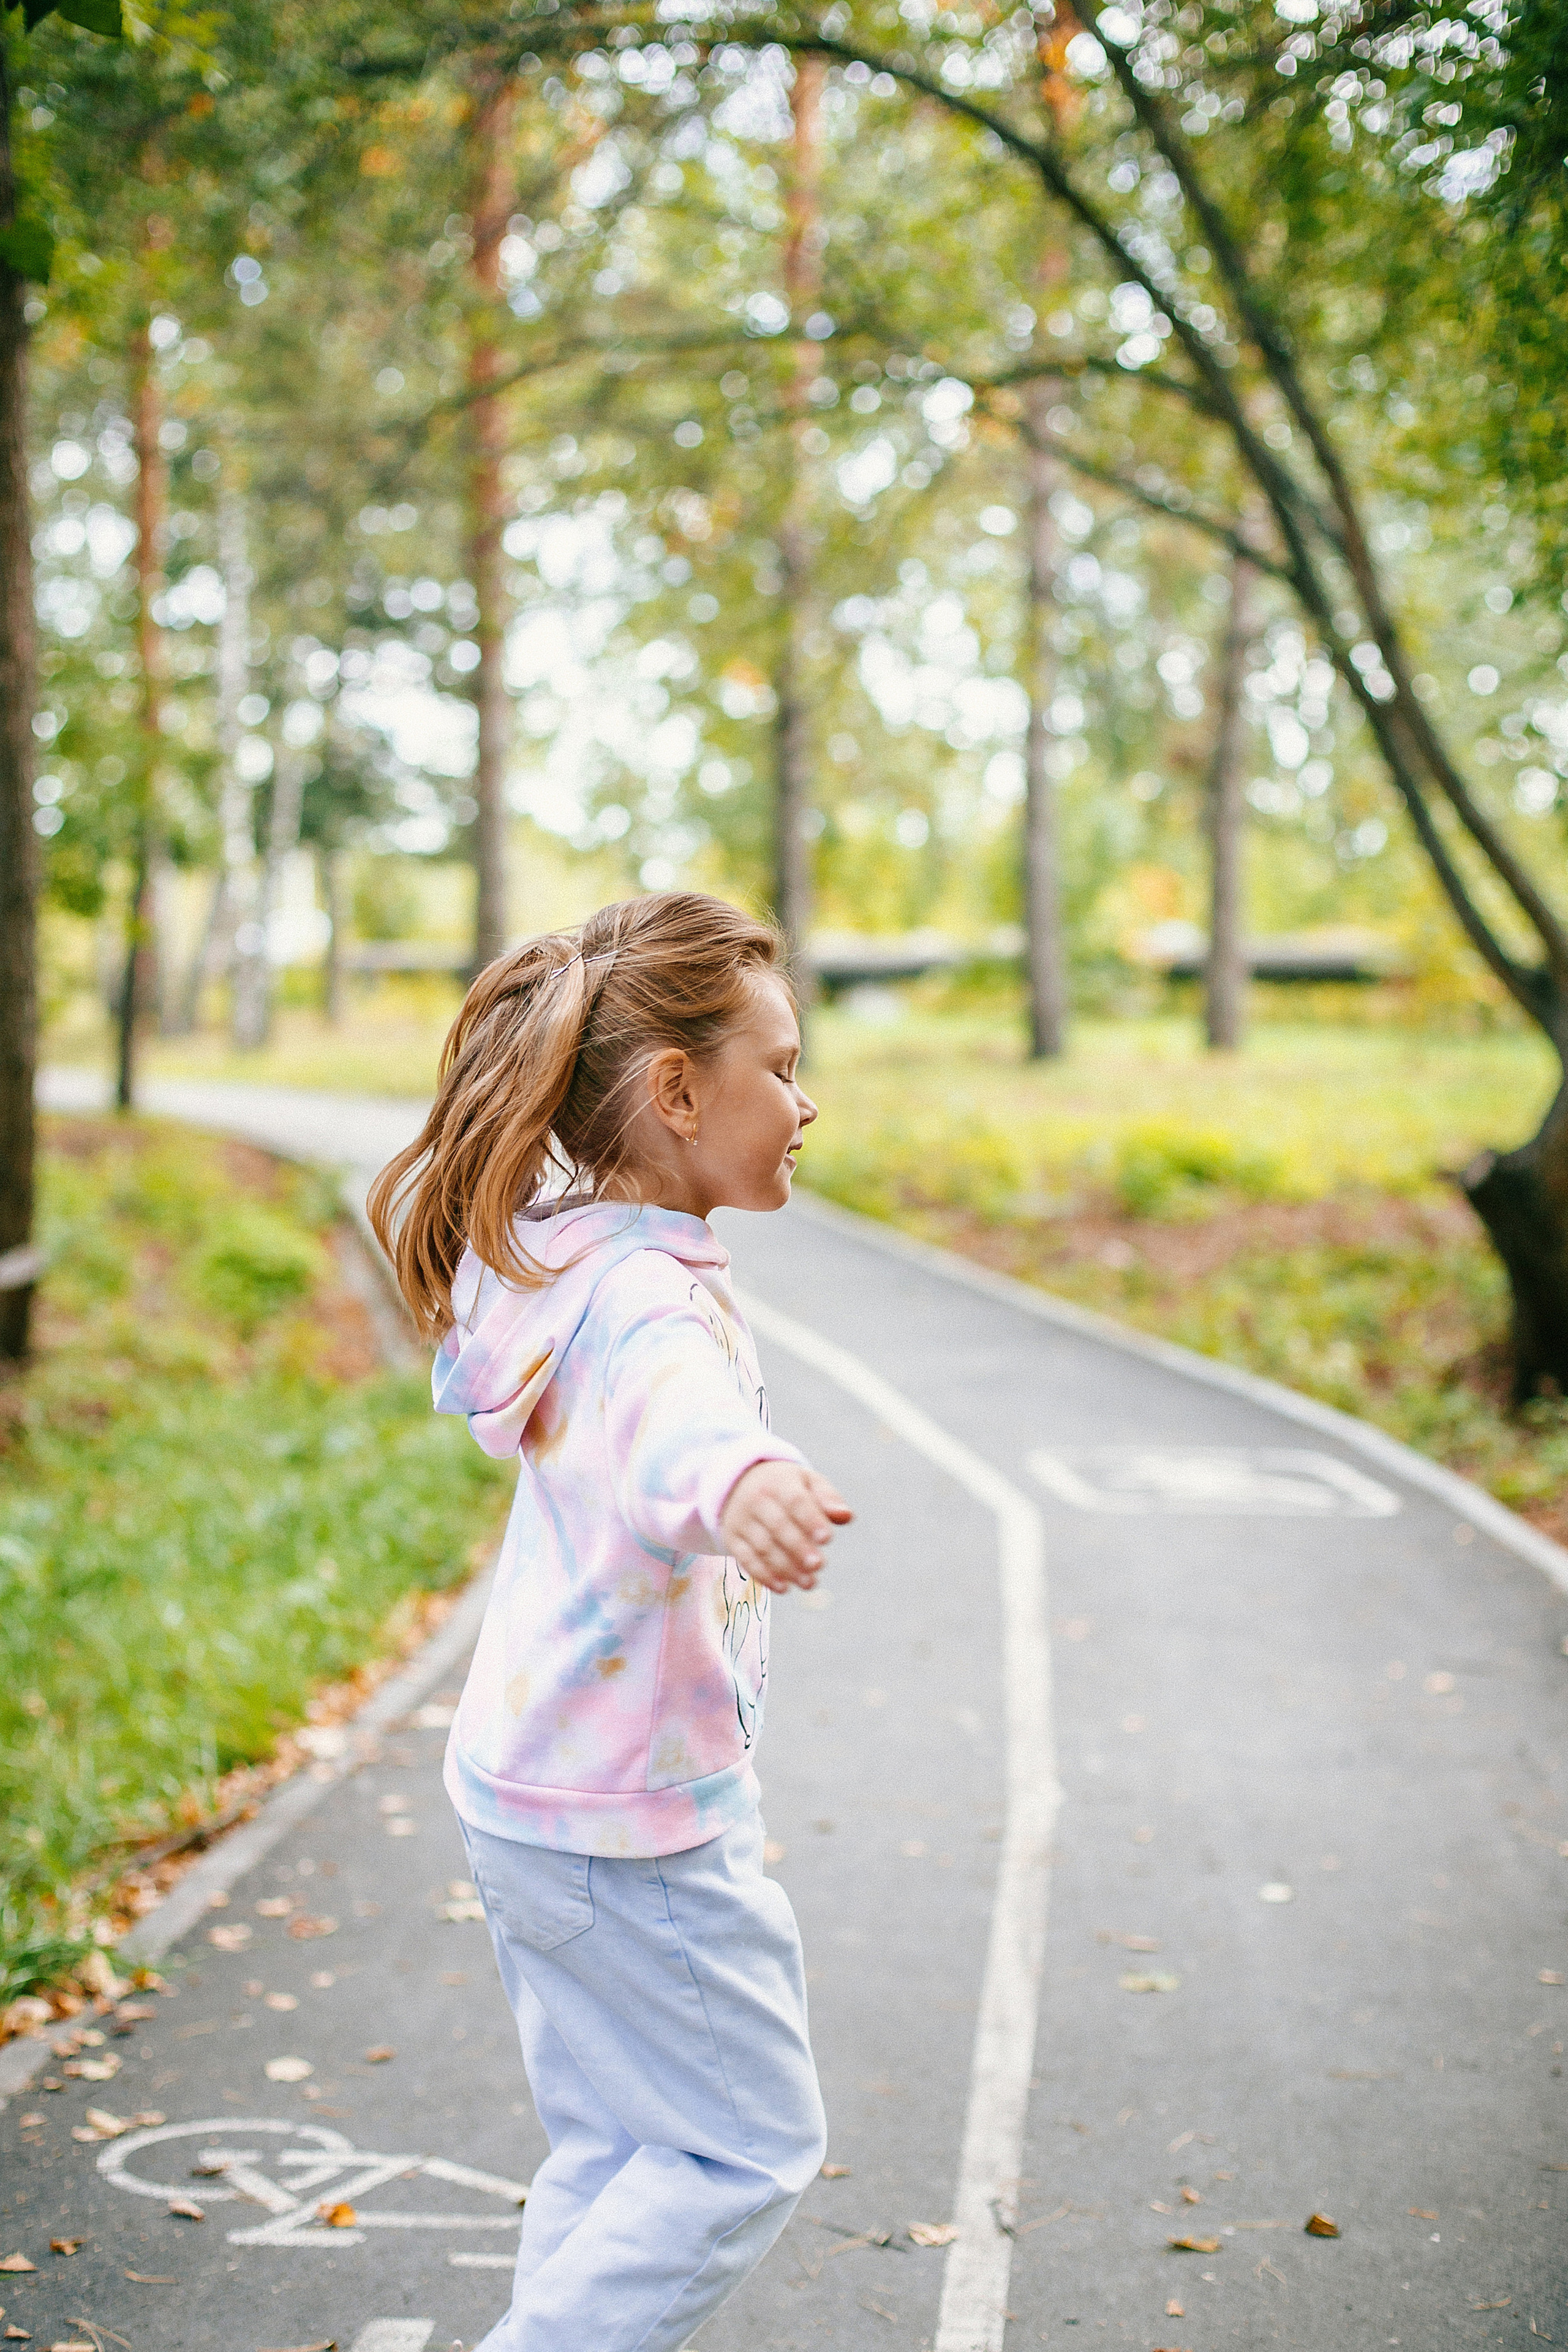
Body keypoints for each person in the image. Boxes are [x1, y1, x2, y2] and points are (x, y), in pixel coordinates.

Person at [368, 891, 851, 2352]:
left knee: (618, 2147)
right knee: (739, 2149)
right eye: (778, 1067)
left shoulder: (560, 1250)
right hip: (630, 1819)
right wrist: (746, 1477)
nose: (805, 1100)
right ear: (675, 1092)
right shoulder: (639, 1303)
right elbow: (675, 1428)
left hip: (533, 1794)